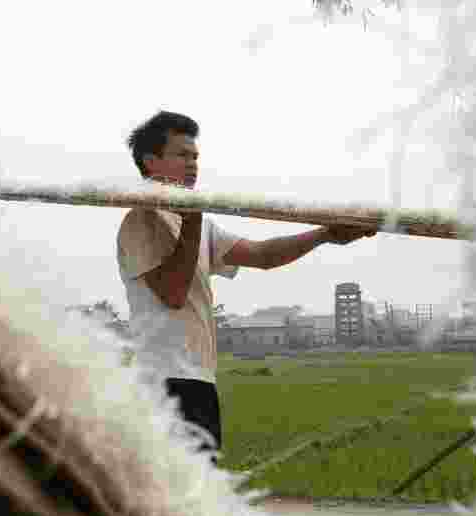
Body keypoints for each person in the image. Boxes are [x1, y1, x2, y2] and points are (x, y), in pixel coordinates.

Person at [116, 110, 374, 459]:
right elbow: (173, 294)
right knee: (181, 492)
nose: (192, 164)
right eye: (181, 155)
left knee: (201, 487)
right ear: (151, 161)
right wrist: (193, 219)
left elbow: (263, 255)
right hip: (164, 378)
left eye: (195, 156)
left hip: (198, 377)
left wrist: (325, 235)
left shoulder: (200, 225)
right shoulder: (141, 219)